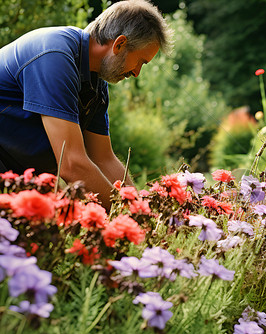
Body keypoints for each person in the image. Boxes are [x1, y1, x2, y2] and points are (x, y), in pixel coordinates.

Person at [0, 0, 173, 210]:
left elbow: (104, 158)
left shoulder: (95, 84)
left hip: (15, 176)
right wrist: (130, 218)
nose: (136, 73)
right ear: (119, 44)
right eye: (140, 62)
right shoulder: (56, 56)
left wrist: (140, 209)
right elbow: (72, 165)